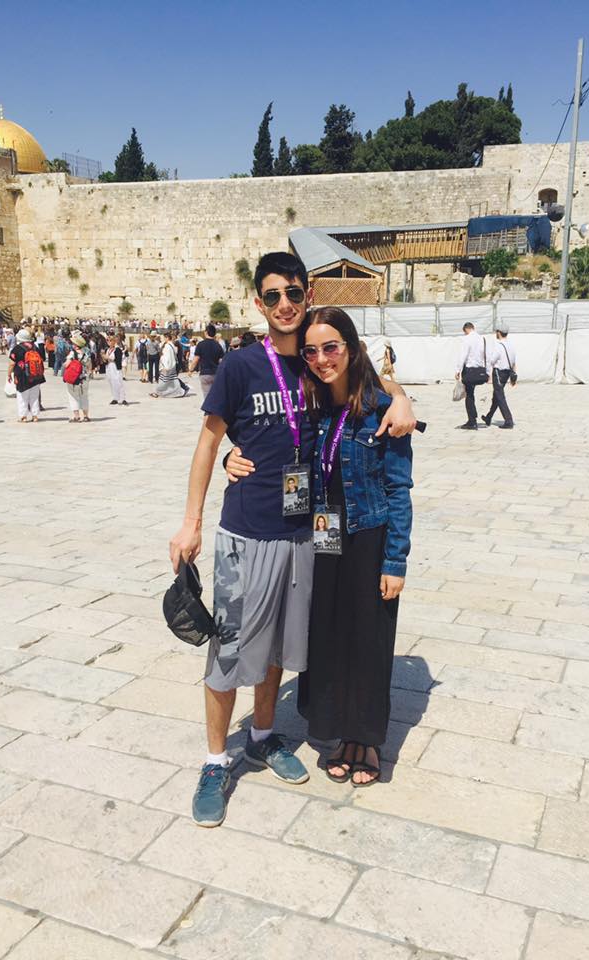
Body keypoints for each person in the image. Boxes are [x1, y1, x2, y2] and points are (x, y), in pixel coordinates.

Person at [169, 251, 415, 828]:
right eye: (273, 295)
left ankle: (261, 734)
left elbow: (368, 381)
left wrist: (401, 396)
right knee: (230, 648)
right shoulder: (240, 366)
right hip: (247, 531)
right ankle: (213, 760)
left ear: (307, 296)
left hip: (305, 535)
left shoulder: (314, 362)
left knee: (279, 647)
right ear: (259, 302)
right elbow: (208, 442)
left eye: (294, 294)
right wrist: (192, 520)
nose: (285, 304)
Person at [292, 306, 413, 786]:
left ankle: (366, 739)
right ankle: (338, 729)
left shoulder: (383, 410)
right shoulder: (312, 405)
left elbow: (399, 489)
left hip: (368, 534)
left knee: (368, 638)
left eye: (331, 347)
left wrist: (395, 560)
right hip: (323, 532)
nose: (322, 359)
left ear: (351, 347)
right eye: (313, 350)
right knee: (330, 633)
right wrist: (232, 459)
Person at [455, 321, 489, 430]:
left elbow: (463, 355)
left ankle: (472, 421)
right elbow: (486, 356)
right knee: (471, 393)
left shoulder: (467, 339)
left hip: (469, 371)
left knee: (469, 395)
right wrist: (488, 372)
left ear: (465, 330)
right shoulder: (482, 339)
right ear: (473, 327)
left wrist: (458, 370)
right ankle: (473, 418)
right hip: (480, 371)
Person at [482, 322, 517, 429]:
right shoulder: (511, 345)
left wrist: (487, 373)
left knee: (500, 396)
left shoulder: (498, 345)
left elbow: (492, 360)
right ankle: (489, 417)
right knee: (496, 396)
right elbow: (513, 361)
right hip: (507, 373)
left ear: (499, 332)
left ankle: (508, 420)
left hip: (498, 372)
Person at [7, 328, 45, 422]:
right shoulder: (35, 347)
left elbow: (12, 363)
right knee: (34, 397)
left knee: (22, 397)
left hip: (22, 376)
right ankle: (35, 416)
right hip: (36, 376)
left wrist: (9, 374)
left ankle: (23, 416)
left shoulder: (17, 348)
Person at [61, 332, 92, 422]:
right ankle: (86, 416)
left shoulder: (72, 353)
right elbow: (90, 366)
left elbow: (66, 364)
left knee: (73, 396)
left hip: (74, 378)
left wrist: (64, 364)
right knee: (84, 396)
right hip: (85, 378)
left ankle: (76, 416)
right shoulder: (87, 353)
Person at [190, 323, 224, 400]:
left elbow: (196, 359)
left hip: (205, 373)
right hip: (215, 373)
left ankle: (208, 410)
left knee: (207, 395)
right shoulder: (218, 345)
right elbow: (221, 361)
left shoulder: (201, 345)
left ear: (206, 332)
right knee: (215, 394)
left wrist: (191, 370)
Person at [151, 333, 188, 398]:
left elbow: (167, 357)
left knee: (163, 381)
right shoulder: (171, 345)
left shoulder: (168, 346)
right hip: (171, 366)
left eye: (164, 338)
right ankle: (182, 390)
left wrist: (166, 366)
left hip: (168, 367)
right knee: (172, 380)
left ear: (167, 338)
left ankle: (157, 392)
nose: (163, 339)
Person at [103, 334, 128, 406]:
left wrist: (107, 357)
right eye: (107, 340)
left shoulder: (117, 349)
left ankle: (123, 398)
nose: (108, 342)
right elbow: (106, 359)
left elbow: (118, 359)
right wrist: (104, 358)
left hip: (115, 368)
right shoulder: (107, 349)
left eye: (110, 340)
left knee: (119, 382)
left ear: (114, 341)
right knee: (111, 382)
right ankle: (115, 398)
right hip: (109, 367)